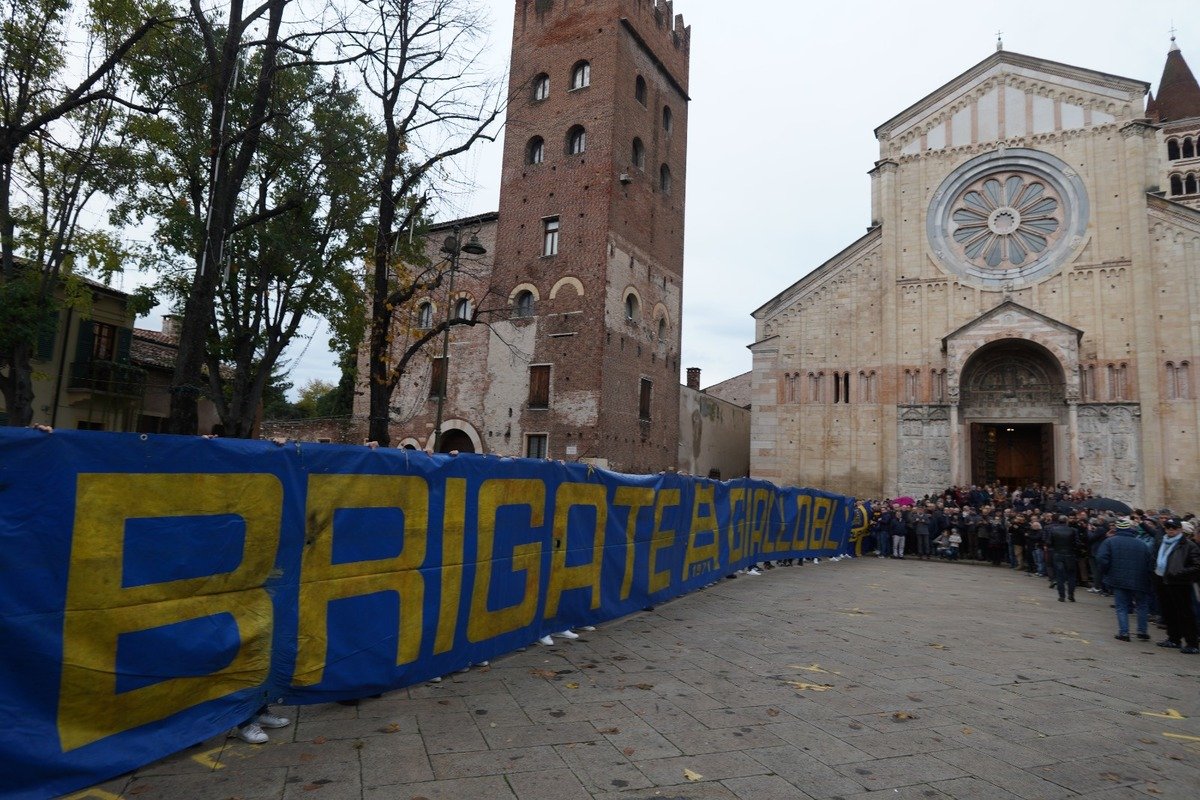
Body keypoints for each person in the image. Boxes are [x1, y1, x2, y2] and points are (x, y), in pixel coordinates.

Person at [1095, 519, 1154, 641]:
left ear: (1117, 529)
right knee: (1142, 605)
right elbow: (1150, 562)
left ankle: (1124, 632)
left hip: (1118, 578)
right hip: (1140, 579)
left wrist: (1106, 571)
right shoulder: (1141, 543)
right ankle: (1142, 631)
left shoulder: (1110, 542)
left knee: (1121, 606)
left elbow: (1101, 558)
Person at [1153, 518, 1200, 654]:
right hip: (1163, 580)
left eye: (1173, 527)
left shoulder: (1188, 545)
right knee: (1168, 612)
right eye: (1168, 527)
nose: (1171, 530)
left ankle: (1192, 642)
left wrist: (1179, 573)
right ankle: (1174, 638)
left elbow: (1196, 566)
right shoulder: (1163, 541)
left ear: (1180, 529)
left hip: (1180, 583)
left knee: (1185, 614)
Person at [1046, 515, 1079, 602]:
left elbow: (1049, 542)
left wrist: (1055, 547)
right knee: (1071, 576)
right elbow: (1077, 543)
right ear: (1066, 521)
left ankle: (1062, 596)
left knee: (1060, 576)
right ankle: (1071, 594)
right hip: (1070, 554)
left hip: (1058, 554)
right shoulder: (1073, 530)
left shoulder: (1053, 530)